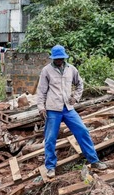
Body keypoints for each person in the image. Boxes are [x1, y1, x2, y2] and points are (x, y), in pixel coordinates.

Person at [36, 45, 108, 178]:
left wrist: (75, 97)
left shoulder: (71, 69)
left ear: (64, 57)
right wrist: (41, 107)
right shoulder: (46, 71)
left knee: (83, 131)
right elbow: (41, 91)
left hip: (68, 109)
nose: (59, 60)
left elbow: (80, 84)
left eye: (61, 58)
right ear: (53, 58)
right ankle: (50, 167)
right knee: (50, 139)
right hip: (53, 109)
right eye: (56, 59)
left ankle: (94, 161)